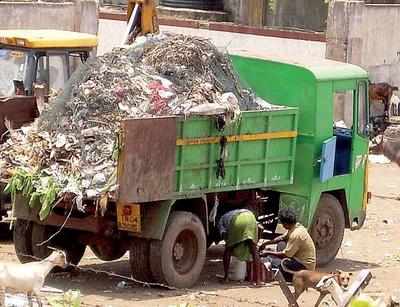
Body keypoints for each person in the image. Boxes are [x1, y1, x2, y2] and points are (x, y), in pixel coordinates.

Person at [259, 207, 316, 281]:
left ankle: (294, 277)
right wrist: (266, 243)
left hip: (305, 268)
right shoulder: (296, 227)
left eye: (282, 223)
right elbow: (282, 237)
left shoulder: (295, 235)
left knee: (273, 262)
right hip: (302, 261)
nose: (282, 225)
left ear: (285, 223)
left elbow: (285, 255)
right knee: (281, 244)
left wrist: (268, 252)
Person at [218, 208, 261, 285]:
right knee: (254, 250)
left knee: (228, 249)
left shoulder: (221, 220)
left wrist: (231, 245)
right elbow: (260, 227)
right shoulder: (236, 212)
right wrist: (255, 242)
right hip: (251, 217)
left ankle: (226, 277)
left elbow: (224, 235)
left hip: (237, 220)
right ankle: (258, 281)